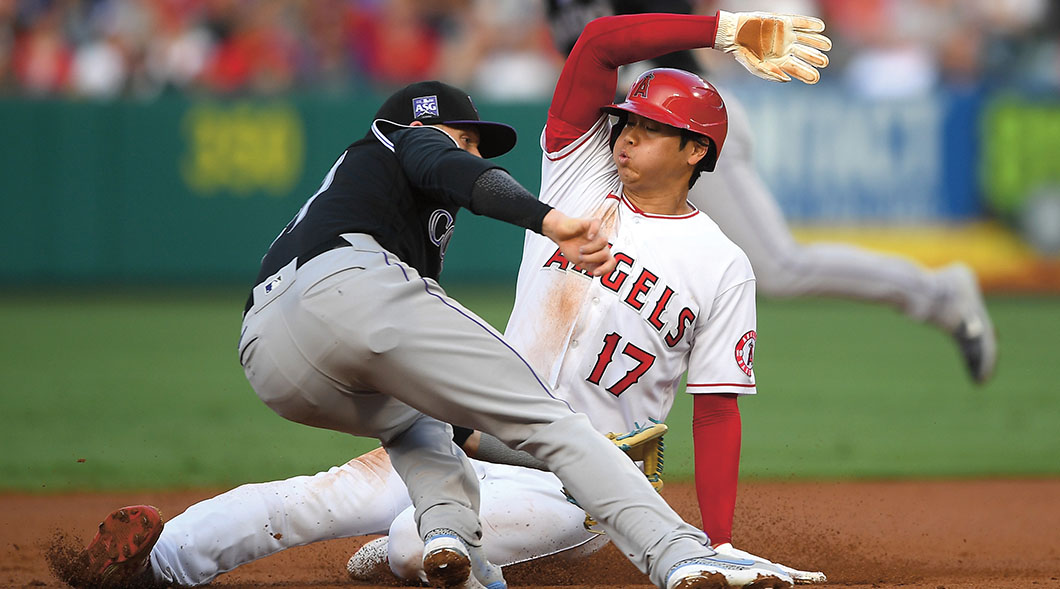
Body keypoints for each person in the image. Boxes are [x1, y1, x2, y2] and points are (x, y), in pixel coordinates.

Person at [65, 10, 833, 589]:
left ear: (697, 151)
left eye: (649, 128)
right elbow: (598, 43)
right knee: (313, 501)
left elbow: (718, 408)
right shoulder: (577, 174)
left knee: (413, 538)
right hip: (470, 425)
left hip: (578, 483)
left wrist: (724, 535)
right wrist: (723, 27)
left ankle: (455, 545)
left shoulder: (723, 262)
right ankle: (156, 564)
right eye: (624, 122)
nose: (624, 135)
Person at [546, 0, 997, 387]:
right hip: (621, 134)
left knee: (780, 268)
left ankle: (940, 294)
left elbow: (665, 29)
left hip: (684, 125)